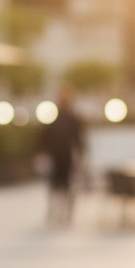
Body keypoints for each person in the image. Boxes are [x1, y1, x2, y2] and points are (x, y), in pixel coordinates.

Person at [40, 86, 85, 226]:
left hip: (65, 157)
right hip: (58, 157)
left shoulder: (71, 118)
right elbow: (45, 138)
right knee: (57, 187)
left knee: (64, 187)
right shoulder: (56, 118)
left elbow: (78, 139)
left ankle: (64, 214)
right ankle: (57, 213)